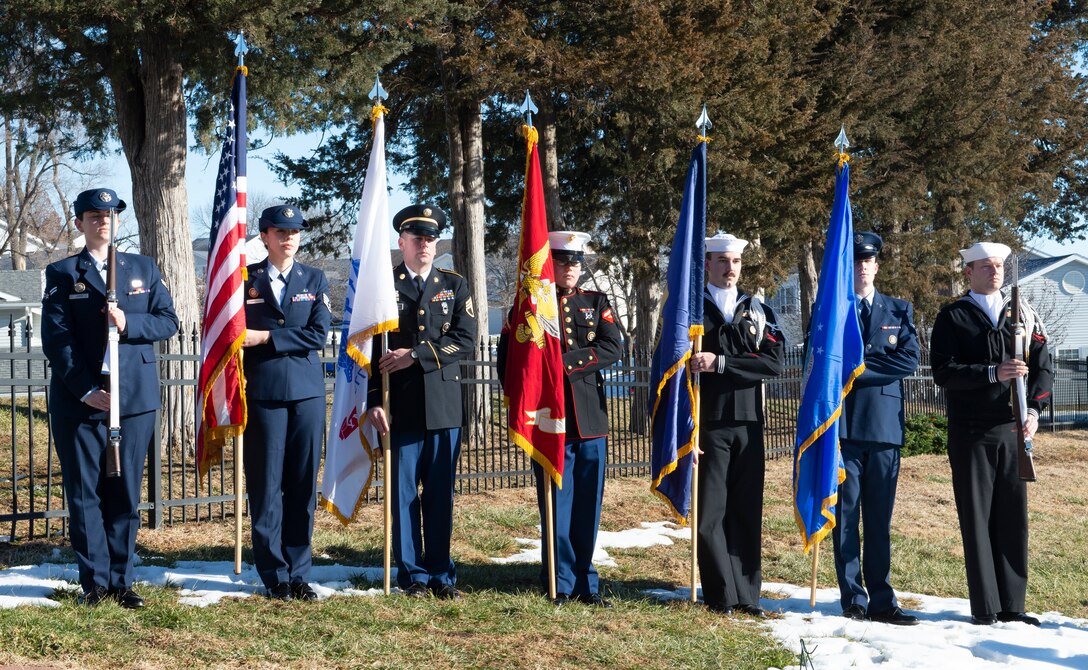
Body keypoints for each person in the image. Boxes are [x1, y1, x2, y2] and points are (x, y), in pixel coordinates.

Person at [41, 188, 179, 608]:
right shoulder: (64, 272)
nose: (103, 220)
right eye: (94, 215)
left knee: (124, 493)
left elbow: (168, 321)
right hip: (80, 402)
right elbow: (58, 339)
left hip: (133, 400)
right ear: (80, 222)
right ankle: (95, 584)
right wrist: (85, 389)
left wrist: (128, 321)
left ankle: (122, 580)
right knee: (85, 494)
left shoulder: (142, 267)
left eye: (110, 214)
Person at [496, 231, 624, 607]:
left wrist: (562, 365)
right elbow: (511, 363)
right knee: (557, 503)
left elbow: (613, 346)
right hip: (550, 421)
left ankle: (587, 580)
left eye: (576, 262)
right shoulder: (528, 308)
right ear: (550, 263)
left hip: (589, 420)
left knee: (588, 503)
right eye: (564, 261)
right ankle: (559, 580)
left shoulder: (595, 301)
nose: (571, 268)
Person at [931, 241, 1053, 626]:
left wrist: (1034, 410)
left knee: (1012, 518)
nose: (994, 271)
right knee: (978, 519)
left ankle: (1013, 605)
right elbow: (943, 372)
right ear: (968, 272)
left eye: (999, 265)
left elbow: (1044, 367)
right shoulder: (953, 317)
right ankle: (985, 608)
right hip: (971, 432)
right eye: (985, 266)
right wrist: (991, 373)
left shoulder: (1023, 314)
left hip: (1013, 429)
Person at [367, 204, 476, 600]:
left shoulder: (455, 284)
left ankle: (442, 575)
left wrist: (414, 354)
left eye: (430, 239)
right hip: (401, 406)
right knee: (403, 496)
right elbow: (368, 352)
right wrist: (374, 400)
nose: (425, 245)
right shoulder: (384, 286)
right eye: (417, 239)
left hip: (444, 406)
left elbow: (466, 339)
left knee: (440, 494)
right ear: (402, 242)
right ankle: (412, 574)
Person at [688, 232, 784, 616]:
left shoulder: (758, 309)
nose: (730, 269)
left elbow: (774, 363)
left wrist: (722, 363)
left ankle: (747, 594)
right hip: (708, 421)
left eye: (736, 262)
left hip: (748, 421)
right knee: (711, 511)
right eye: (723, 261)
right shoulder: (692, 310)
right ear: (708, 264)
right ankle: (720, 594)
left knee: (746, 509)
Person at [241, 204, 331, 601]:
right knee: (265, 487)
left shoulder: (314, 277)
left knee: (301, 486)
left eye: (294, 231)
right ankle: (274, 574)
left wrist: (266, 338)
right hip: (262, 393)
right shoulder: (244, 281)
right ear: (264, 236)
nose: (289, 237)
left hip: (307, 396)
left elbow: (319, 334)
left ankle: (299, 573)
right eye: (280, 231)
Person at [832, 232, 920, 625]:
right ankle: (853, 598)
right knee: (846, 518)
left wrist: (859, 370)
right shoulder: (831, 308)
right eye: (855, 262)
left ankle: (883, 600)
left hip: (884, 429)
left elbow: (909, 361)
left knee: (879, 519)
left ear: (877, 267)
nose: (862, 267)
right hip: (844, 428)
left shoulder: (899, 310)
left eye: (868, 262)